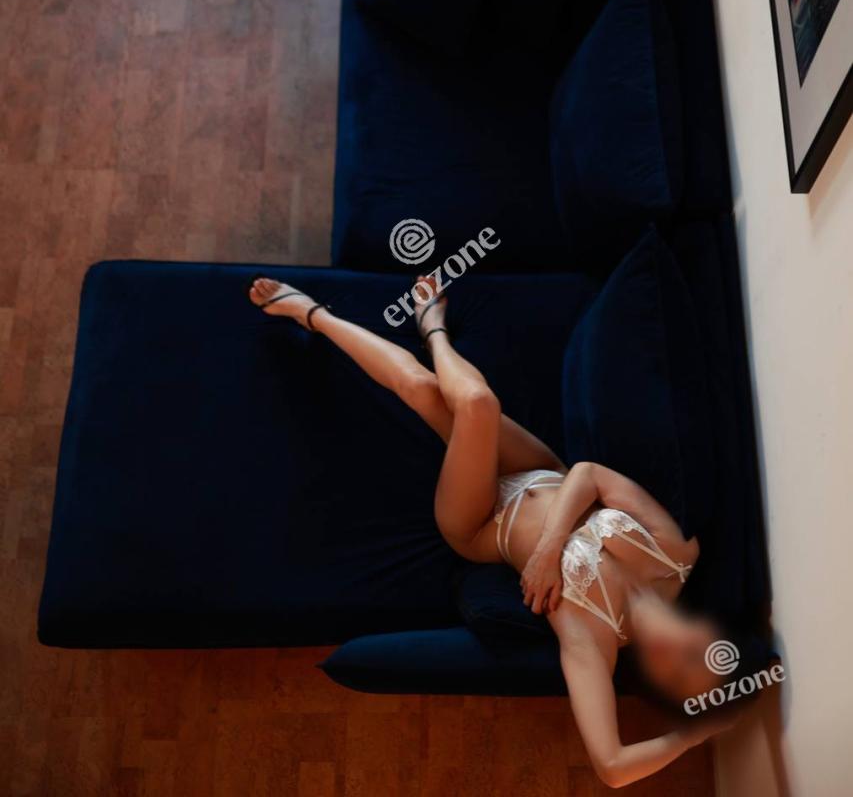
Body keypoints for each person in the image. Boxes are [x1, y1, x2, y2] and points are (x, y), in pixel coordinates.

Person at [249, 273, 744, 787]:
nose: (675, 658)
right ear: (707, 633)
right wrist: (550, 548)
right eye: (695, 655)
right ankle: (432, 331)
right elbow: (589, 474)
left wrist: (690, 737)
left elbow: (612, 768)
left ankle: (316, 314)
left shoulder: (593, 640)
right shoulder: (676, 553)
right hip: (541, 471)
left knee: (469, 404)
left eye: (674, 676)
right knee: (437, 393)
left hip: (481, 521)